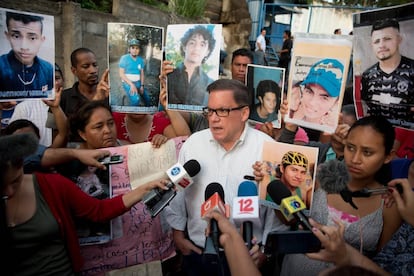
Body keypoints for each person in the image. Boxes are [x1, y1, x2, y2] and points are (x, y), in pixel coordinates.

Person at [0, 132, 171, 275]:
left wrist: (142, 190)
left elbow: (98, 211)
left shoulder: (51, 185)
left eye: (16, 181)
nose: (9, 192)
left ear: (22, 165)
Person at [165, 79, 286, 276]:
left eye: (222, 111)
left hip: (248, 257)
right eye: (210, 111)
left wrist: (266, 249)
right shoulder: (193, 144)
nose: (213, 118)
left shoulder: (267, 148)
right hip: (199, 253)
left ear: (244, 113)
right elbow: (178, 192)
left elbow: (275, 210)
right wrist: (178, 235)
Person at [61, 100, 177, 274]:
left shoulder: (130, 149)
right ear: (82, 134)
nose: (107, 130)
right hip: (97, 259)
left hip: (138, 253)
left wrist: (160, 146)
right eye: (98, 127)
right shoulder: (69, 162)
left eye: (110, 123)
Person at [280, 115, 402, 276]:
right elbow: (287, 219)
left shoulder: (389, 204)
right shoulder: (320, 178)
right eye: (350, 148)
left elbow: (382, 265)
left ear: (388, 156)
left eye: (367, 152)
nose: (355, 159)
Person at [307, 176, 414, 276]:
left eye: (368, 154)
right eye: (351, 153)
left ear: (387, 158)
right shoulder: (322, 179)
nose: (356, 159)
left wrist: (348, 256)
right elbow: (384, 259)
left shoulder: (390, 205)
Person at [360, 18, 414, 130]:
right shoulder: (367, 75)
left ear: (399, 39)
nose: (381, 45)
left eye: (387, 39)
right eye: (376, 41)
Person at [9, 63, 67, 147]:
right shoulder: (24, 107)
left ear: (63, 80)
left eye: (57, 78)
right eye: (46, 79)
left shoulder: (71, 100)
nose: (53, 83)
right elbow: (12, 139)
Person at [0, 11, 53, 98]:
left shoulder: (48, 69)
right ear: (7, 36)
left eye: (32, 38)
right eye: (16, 36)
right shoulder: (1, 67)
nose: (24, 46)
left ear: (41, 40)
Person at [167, 25, 216, 106]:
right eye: (192, 43)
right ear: (184, 47)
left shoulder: (211, 84)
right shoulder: (168, 76)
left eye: (202, 45)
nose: (196, 48)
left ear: (207, 51)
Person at [289, 58, 344, 128]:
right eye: (309, 91)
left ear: (337, 101)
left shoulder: (334, 129)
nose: (312, 102)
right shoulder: (291, 112)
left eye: (324, 98)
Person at [119, 38, 150, 106]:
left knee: (147, 99)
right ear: (129, 49)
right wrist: (131, 84)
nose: (135, 50)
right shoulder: (124, 58)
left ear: (139, 50)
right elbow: (121, 74)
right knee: (136, 100)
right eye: (133, 48)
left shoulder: (140, 60)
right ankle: (131, 113)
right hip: (128, 83)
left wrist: (142, 86)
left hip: (138, 82)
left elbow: (142, 74)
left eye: (137, 48)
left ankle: (148, 113)